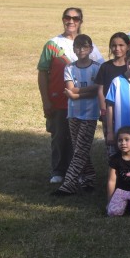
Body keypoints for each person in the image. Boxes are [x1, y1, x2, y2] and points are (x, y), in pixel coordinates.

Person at [37, 7, 103, 184]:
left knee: (79, 141)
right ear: (62, 19)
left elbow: (102, 71)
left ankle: (80, 173)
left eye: (76, 18)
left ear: (81, 21)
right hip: (59, 100)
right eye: (67, 17)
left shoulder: (90, 45)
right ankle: (58, 170)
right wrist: (46, 101)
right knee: (59, 137)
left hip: (85, 104)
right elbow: (43, 73)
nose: (71, 21)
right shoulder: (52, 44)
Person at [54, 34, 101, 196]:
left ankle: (69, 184)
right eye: (78, 47)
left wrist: (76, 94)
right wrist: (85, 91)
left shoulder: (97, 67)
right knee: (79, 148)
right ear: (73, 49)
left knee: (80, 149)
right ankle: (89, 178)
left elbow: (97, 89)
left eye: (85, 46)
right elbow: (70, 89)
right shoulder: (70, 68)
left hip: (90, 114)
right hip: (73, 113)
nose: (81, 50)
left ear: (91, 49)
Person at [96, 32, 130, 156]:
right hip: (109, 113)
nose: (117, 49)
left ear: (128, 46)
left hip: (127, 112)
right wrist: (103, 110)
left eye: (121, 45)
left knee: (127, 144)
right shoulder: (105, 67)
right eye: (114, 45)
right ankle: (113, 171)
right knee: (112, 145)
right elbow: (100, 90)